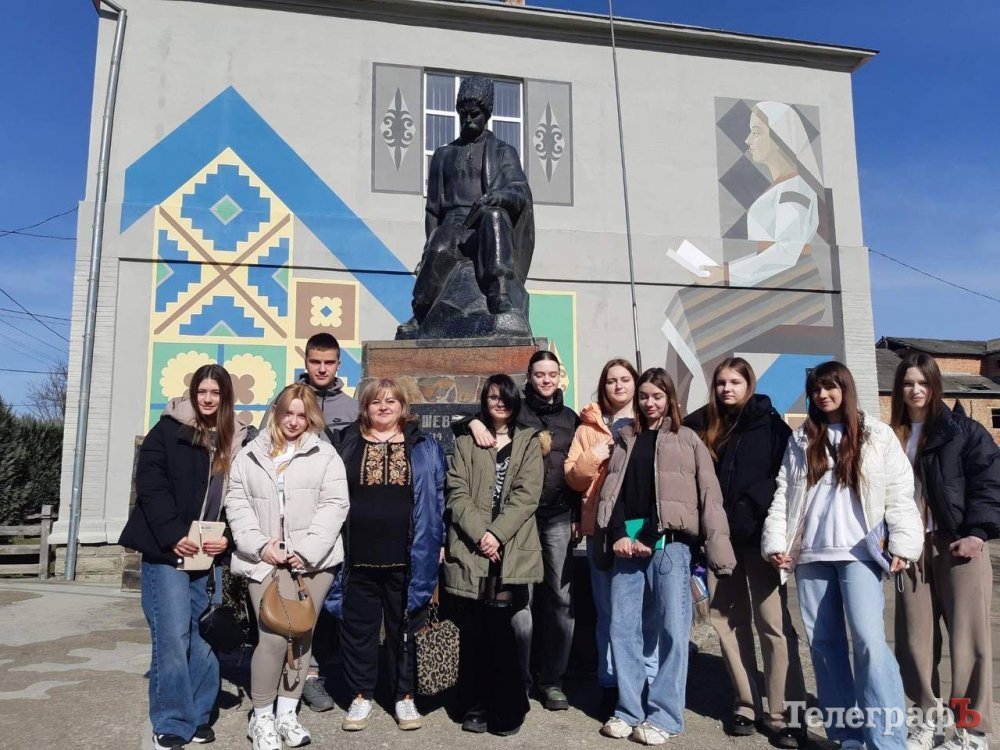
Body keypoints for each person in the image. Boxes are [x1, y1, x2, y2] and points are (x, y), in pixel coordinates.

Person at [762, 361, 923, 750]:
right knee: (824, 646)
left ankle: (887, 739)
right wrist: (776, 542)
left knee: (869, 642)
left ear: (846, 389)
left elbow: (899, 492)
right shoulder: (802, 438)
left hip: (860, 554)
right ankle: (846, 736)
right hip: (812, 555)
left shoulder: (877, 434)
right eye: (816, 390)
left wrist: (903, 545)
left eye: (830, 387)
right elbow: (785, 493)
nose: (822, 395)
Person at [662, 100, 835, 411]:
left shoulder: (795, 191)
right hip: (772, 280)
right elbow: (770, 255)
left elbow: (785, 252)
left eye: (756, 132)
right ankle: (675, 408)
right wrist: (722, 271)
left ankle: (723, 409)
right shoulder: (778, 187)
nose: (747, 140)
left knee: (697, 309)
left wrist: (727, 273)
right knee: (688, 301)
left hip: (797, 287)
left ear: (779, 139)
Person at [596, 367, 736, 746]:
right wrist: (618, 533)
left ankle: (666, 716)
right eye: (644, 396)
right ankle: (629, 709)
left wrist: (718, 552)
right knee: (623, 628)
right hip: (627, 545)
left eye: (657, 396)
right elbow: (613, 490)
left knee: (673, 631)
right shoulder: (626, 437)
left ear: (670, 399)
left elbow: (707, 497)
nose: (649, 402)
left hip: (670, 545)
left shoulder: (688, 440)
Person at [119, 364, 249, 750]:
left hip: (208, 554)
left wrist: (227, 538)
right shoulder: (167, 431)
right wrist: (174, 534)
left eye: (215, 393)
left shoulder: (235, 437)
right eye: (201, 392)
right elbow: (150, 486)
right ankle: (172, 720)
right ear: (193, 393)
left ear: (226, 398)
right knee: (173, 636)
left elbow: (239, 497)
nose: (207, 399)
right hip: (168, 552)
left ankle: (199, 714)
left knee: (204, 634)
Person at [683, 357, 805, 747]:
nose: (727, 389)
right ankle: (746, 704)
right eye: (721, 383)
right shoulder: (706, 425)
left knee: (773, 625)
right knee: (727, 621)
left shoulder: (771, 426)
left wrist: (750, 506)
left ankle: (784, 713)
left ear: (748, 384)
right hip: (721, 541)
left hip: (760, 541)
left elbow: (785, 477)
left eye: (734, 382)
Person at [224, 383, 349, 750]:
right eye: (288, 413)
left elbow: (335, 504)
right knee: (274, 637)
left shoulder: (325, 454)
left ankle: (287, 713)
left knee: (302, 635)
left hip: (314, 561)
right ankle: (262, 717)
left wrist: (306, 551)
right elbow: (236, 503)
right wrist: (260, 545)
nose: (294, 421)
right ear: (276, 413)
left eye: (302, 415)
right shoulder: (249, 455)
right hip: (264, 560)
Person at [889, 353, 1000, 750]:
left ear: (935, 385)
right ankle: (926, 724)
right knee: (913, 642)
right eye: (908, 383)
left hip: (958, 546)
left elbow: (990, 481)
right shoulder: (891, 436)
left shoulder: (964, 431)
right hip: (910, 549)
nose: (915, 390)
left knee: (968, 641)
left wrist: (977, 533)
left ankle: (971, 731)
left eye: (923, 382)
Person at [461, 349, 580, 709]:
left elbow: (579, 470)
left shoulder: (570, 419)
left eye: (552, 374)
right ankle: (521, 678)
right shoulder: (517, 409)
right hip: (519, 521)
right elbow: (484, 417)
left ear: (560, 377)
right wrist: (472, 423)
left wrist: (578, 514)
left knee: (560, 598)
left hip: (558, 516)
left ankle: (552, 680)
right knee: (521, 599)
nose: (546, 380)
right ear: (529, 376)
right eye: (539, 374)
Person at [331, 378, 446, 733]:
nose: (383, 407)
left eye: (391, 401)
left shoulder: (424, 445)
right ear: (365, 407)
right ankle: (361, 694)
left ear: (402, 407)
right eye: (376, 402)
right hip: (357, 556)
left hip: (408, 555)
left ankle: (404, 696)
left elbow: (439, 495)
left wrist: (440, 540)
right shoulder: (346, 441)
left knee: (406, 629)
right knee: (358, 630)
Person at [396, 75, 534, 339]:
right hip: (453, 226)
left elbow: (520, 190)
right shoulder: (443, 155)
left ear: (487, 114)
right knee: (439, 247)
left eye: (474, 114)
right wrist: (430, 245)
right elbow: (433, 210)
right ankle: (422, 312)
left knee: (494, 218)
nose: (468, 119)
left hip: (484, 224)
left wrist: (497, 197)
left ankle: (499, 293)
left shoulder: (503, 151)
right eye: (463, 114)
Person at [444, 374, 544, 736]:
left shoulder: (529, 441)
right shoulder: (466, 440)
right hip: (473, 545)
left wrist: (497, 534)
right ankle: (475, 705)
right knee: (472, 628)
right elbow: (456, 490)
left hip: (509, 545)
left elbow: (527, 494)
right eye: (491, 398)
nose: (498, 403)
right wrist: (480, 534)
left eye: (504, 397)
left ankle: (507, 707)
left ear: (514, 400)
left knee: (502, 629)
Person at [264, 332, 357, 712]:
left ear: (338, 364)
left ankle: (327, 671)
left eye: (329, 362)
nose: (322, 368)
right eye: (315, 361)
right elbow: (266, 449)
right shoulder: (286, 402)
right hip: (294, 521)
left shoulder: (351, 407)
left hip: (338, 517)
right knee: (299, 600)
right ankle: (307, 675)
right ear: (306, 361)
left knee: (332, 601)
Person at [565, 357, 656, 719]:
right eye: (611, 380)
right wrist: (594, 455)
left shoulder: (648, 421)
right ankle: (610, 683)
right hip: (600, 528)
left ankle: (645, 683)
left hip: (638, 525)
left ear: (635, 384)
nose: (618, 386)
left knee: (644, 613)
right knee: (608, 613)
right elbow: (573, 477)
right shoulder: (588, 427)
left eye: (624, 379)